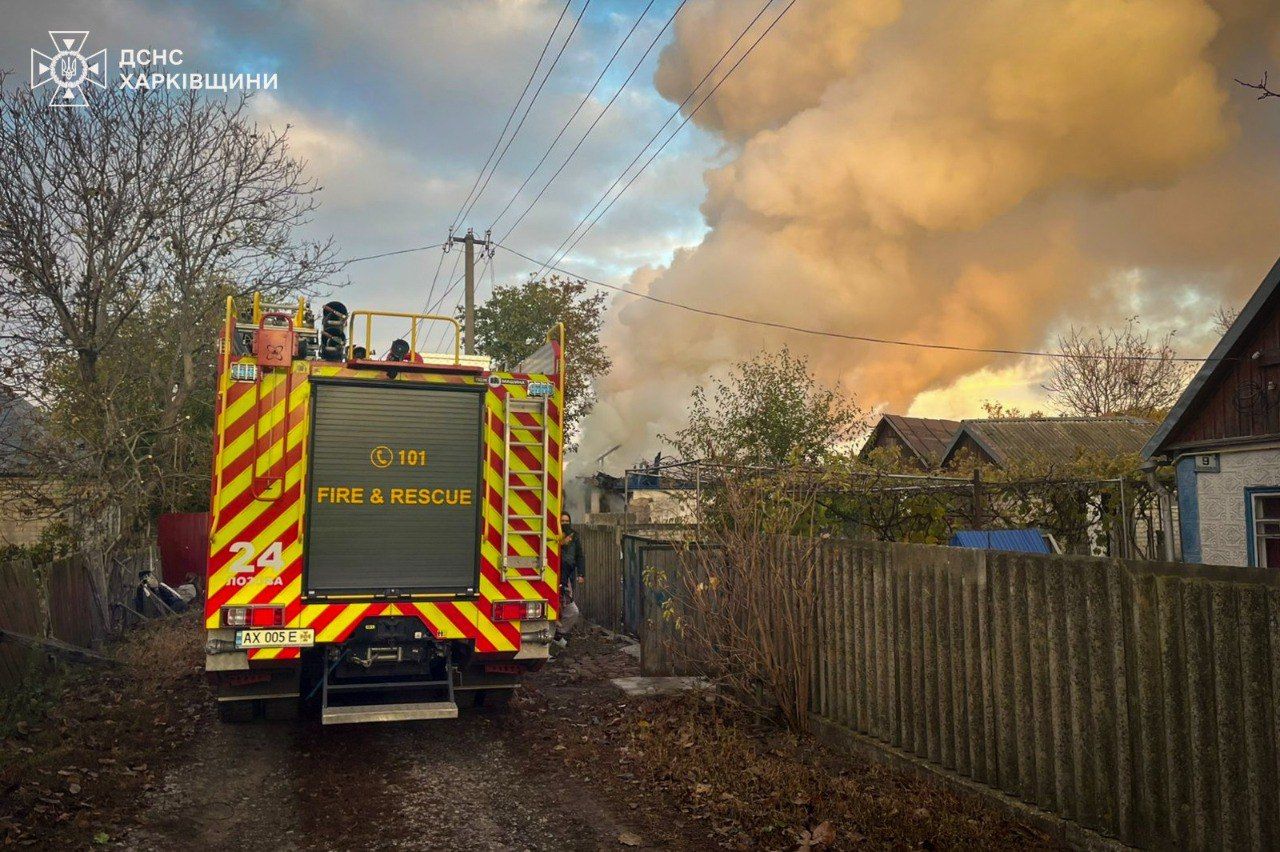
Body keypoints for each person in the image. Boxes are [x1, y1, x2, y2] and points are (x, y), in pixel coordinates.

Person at [554, 512, 585, 647]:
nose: (565, 523)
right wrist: (561, 543)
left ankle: (557, 634)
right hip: (554, 576)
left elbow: (579, 556)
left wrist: (581, 574)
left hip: (568, 576)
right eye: (562, 521)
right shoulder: (554, 535)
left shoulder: (574, 536)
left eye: (567, 521)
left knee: (570, 609)